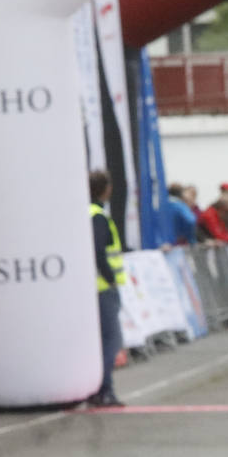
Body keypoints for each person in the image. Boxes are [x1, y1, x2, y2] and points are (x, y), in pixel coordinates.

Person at [88, 170, 126, 408]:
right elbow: (99, 251)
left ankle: (98, 389)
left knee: (101, 341)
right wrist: (110, 277)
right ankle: (104, 389)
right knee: (111, 340)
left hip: (93, 288)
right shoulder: (98, 216)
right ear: (106, 188)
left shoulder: (85, 213)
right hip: (102, 288)